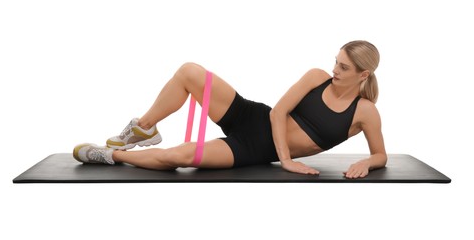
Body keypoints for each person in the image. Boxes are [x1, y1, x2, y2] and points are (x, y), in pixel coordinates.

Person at [73, 40, 387, 179]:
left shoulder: (365, 112)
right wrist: (289, 162)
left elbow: (380, 155)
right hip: (256, 117)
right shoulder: (317, 77)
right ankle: (144, 128)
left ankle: (110, 155)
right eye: (335, 61)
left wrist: (369, 163)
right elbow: (277, 113)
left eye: (343, 67)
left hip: (253, 148)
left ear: (363, 75)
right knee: (189, 71)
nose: (335, 69)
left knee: (180, 157)